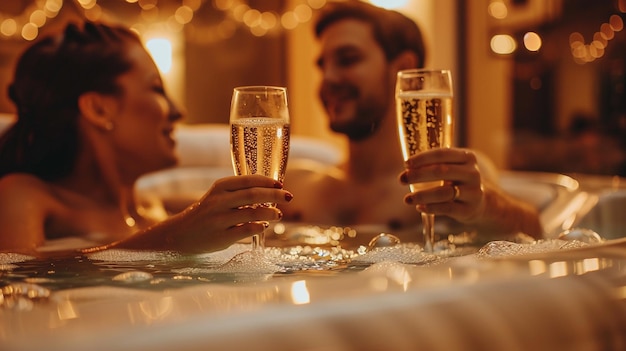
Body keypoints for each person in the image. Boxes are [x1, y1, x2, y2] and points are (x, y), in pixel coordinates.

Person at [0, 21, 293, 255]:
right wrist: (171, 238)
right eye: (156, 89)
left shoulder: (152, 206)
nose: (179, 110)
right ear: (99, 109)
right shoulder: (24, 197)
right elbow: (16, 277)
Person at [279, 1, 542, 244]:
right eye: (322, 66)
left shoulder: (447, 184)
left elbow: (535, 236)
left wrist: (487, 207)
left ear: (402, 67)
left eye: (348, 60)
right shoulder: (296, 186)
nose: (328, 79)